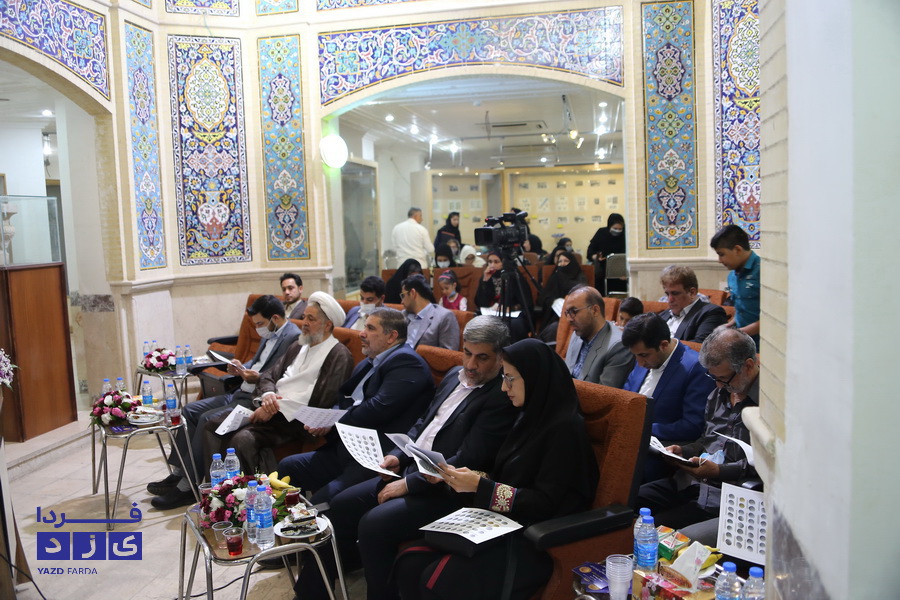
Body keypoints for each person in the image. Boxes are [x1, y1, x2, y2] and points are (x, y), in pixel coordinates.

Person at [293, 317, 518, 600]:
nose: (471, 365)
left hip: (448, 489)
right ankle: (312, 593)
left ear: (500, 357)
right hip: (412, 468)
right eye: (467, 353)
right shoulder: (454, 374)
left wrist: (410, 484)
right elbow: (423, 422)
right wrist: (398, 455)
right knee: (339, 506)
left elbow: (468, 458)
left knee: (374, 524)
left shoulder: (500, 395)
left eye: (482, 358)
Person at [394, 339, 599, 600]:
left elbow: (546, 503)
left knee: (439, 581)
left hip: (537, 538)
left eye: (510, 379)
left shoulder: (565, 430)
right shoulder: (529, 416)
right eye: (504, 378)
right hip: (504, 523)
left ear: (534, 378)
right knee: (410, 563)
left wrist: (481, 486)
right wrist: (464, 478)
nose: (504, 387)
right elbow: (508, 478)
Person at [148, 295, 300, 509]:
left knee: (206, 419)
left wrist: (257, 377)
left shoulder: (293, 338)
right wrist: (240, 366)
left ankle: (187, 487)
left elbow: (280, 375)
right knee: (189, 411)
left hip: (254, 397)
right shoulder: (270, 332)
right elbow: (258, 361)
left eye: (260, 324)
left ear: (275, 318)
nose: (258, 329)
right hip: (240, 389)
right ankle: (180, 472)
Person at [275, 307, 435, 505]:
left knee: (321, 503)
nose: (361, 333)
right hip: (346, 447)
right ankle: (279, 519)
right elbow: (344, 400)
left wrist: (333, 421)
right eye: (364, 327)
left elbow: (377, 408)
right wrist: (327, 418)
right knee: (288, 467)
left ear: (392, 336)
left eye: (370, 328)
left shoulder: (407, 362)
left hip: (375, 456)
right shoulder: (370, 361)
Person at [202, 293, 354, 475]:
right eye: (304, 317)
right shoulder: (299, 345)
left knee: (242, 440)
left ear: (327, 325)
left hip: (294, 421)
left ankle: (245, 490)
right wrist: (268, 396)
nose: (304, 323)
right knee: (213, 426)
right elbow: (268, 376)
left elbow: (322, 400)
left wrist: (274, 408)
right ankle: (218, 486)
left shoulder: (339, 354)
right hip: (271, 408)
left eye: (311, 319)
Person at [637, 326, 760, 545]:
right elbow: (708, 439)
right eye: (714, 378)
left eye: (723, 378)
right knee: (632, 499)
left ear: (748, 366)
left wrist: (720, 471)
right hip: (695, 484)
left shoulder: (770, 405)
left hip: (732, 498)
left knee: (663, 533)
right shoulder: (719, 393)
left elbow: (768, 466)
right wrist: (683, 451)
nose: (718, 385)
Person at [621, 314, 715, 481]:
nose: (639, 363)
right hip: (629, 437)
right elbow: (626, 395)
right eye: (635, 356)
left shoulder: (695, 367)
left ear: (663, 345)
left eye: (643, 355)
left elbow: (692, 425)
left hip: (663, 448)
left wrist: (642, 429)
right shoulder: (644, 356)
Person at [563, 286, 633, 387]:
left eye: (574, 311)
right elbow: (566, 374)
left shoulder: (619, 346)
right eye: (567, 313)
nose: (569, 319)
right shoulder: (577, 333)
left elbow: (604, 394)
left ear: (595, 310)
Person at [710, 224, 760, 349]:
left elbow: (772, 318)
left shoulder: (763, 271)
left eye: (721, 254)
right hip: (743, 344)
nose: (719, 260)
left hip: (764, 345)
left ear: (737, 250)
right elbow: (741, 310)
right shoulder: (732, 276)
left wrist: (738, 334)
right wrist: (728, 326)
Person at [657, 265, 728, 343]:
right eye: (667, 294)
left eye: (675, 293)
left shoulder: (712, 313)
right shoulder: (662, 315)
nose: (669, 300)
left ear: (692, 292)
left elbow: (700, 346)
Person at [474, 250, 534, 342]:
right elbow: (481, 303)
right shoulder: (487, 277)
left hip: (512, 314)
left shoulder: (514, 277)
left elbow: (526, 303)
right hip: (492, 313)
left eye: (496, 262)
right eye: (490, 262)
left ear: (504, 263)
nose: (492, 265)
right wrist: (485, 281)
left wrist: (511, 308)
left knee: (514, 324)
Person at [400, 274, 461, 350]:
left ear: (413, 293)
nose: (402, 302)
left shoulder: (444, 317)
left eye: (403, 295)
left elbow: (448, 354)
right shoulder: (403, 315)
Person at [536, 250, 586, 339]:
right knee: (553, 330)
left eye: (566, 261)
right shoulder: (555, 277)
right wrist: (554, 301)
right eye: (560, 261)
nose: (562, 264)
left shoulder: (580, 278)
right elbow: (543, 298)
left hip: (576, 317)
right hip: (555, 318)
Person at [587, 213, 626, 294]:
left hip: (621, 273)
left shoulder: (626, 234)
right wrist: (597, 257)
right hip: (604, 272)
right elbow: (590, 251)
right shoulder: (601, 233)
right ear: (609, 226)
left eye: (620, 229)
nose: (617, 231)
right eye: (615, 228)